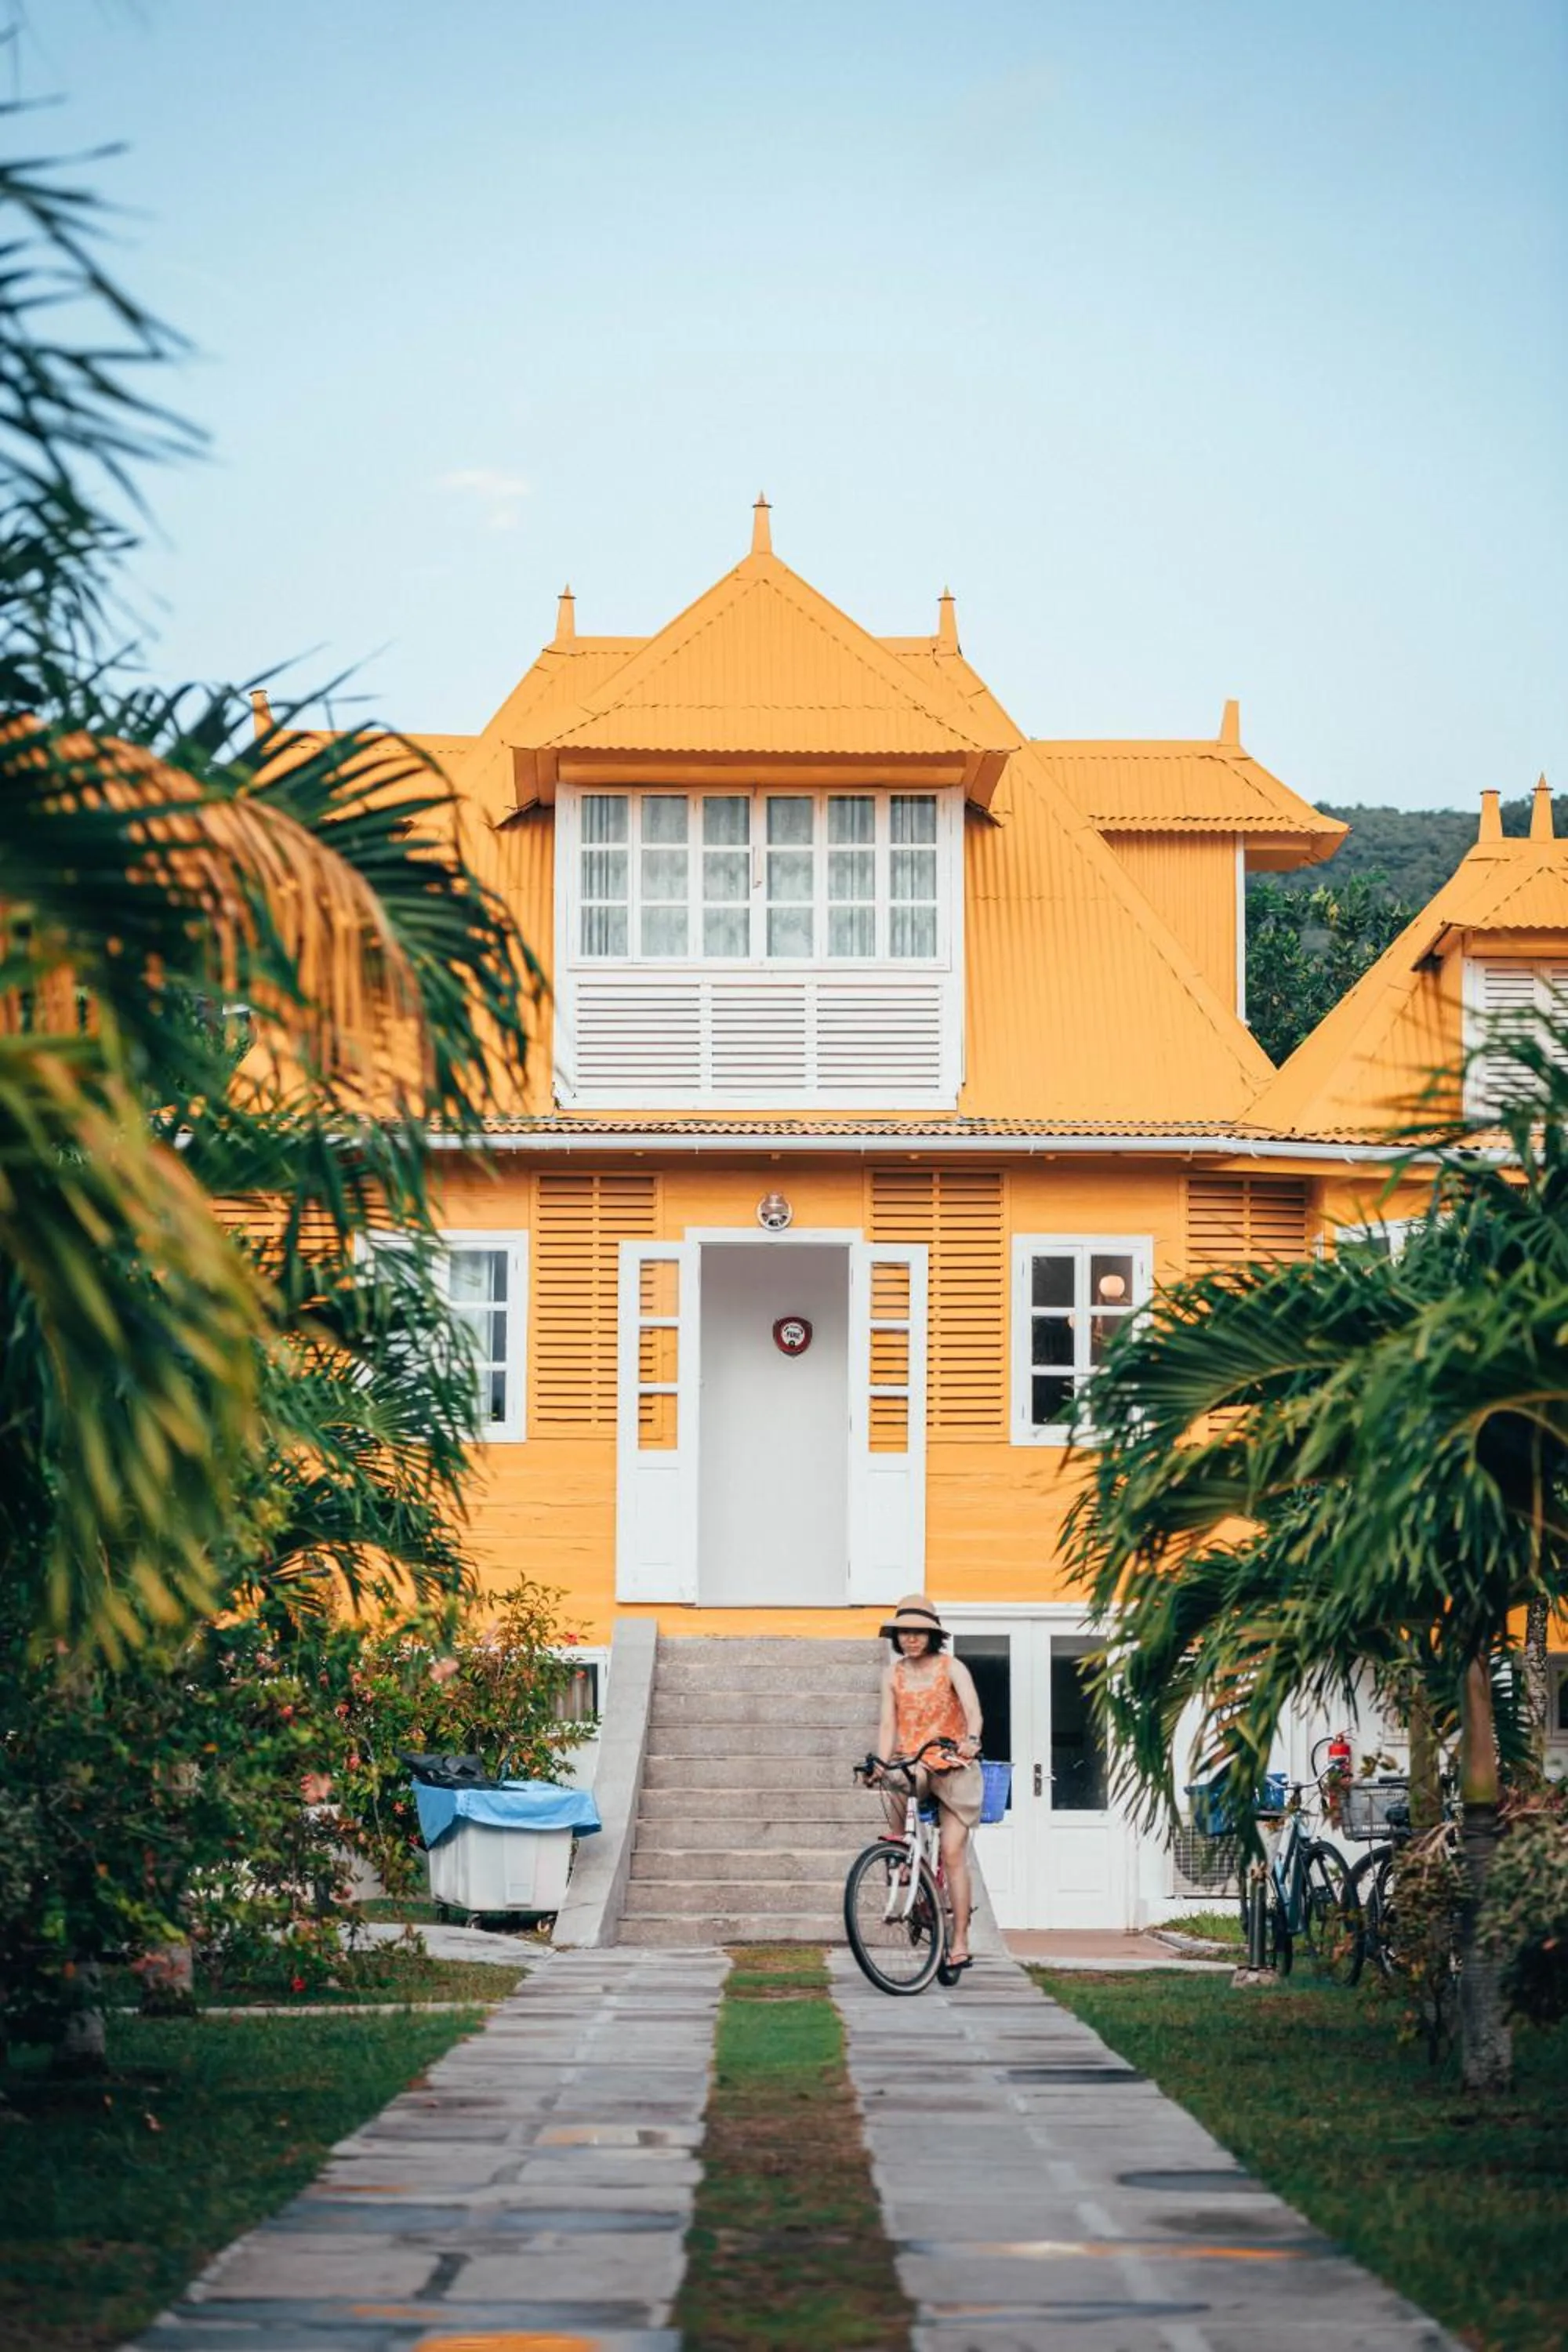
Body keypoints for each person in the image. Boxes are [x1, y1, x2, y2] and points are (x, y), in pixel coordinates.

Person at [871, 1594, 983, 1970]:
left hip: (952, 1763)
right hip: (915, 1763)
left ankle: (961, 1941)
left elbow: (972, 1710)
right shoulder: (892, 1675)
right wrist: (881, 1762)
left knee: (953, 1852)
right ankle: (901, 1852)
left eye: (919, 1633)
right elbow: (889, 1725)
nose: (911, 1640)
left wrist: (972, 1741)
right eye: (905, 1633)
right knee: (894, 1776)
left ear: (932, 1635)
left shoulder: (952, 1668)